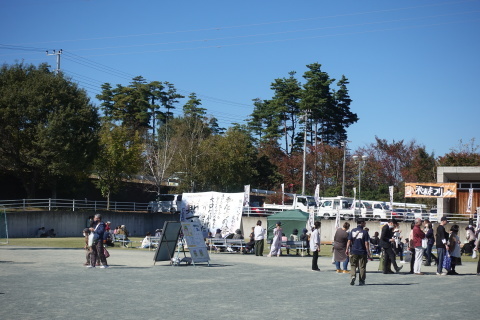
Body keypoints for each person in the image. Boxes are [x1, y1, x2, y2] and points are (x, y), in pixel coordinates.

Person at [346, 218, 371, 286]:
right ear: (362, 223)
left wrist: (347, 249)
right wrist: (368, 252)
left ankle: (353, 276)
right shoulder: (365, 232)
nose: (365, 224)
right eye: (364, 223)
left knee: (353, 265)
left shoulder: (352, 231)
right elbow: (366, 243)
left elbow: (349, 241)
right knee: (362, 267)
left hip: (354, 250)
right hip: (362, 251)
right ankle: (361, 280)